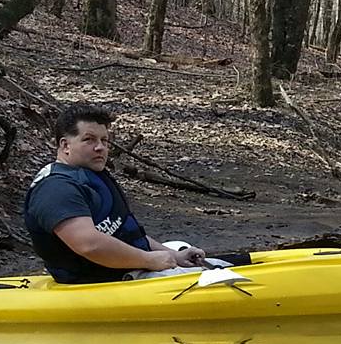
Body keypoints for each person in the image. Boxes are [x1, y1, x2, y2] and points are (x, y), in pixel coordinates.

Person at [24, 104, 207, 284]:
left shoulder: (90, 177)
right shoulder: (56, 188)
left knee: (211, 260)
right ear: (65, 145)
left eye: (104, 141)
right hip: (98, 284)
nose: (100, 147)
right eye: (89, 139)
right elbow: (89, 245)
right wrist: (149, 260)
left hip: (127, 272)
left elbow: (125, 234)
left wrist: (173, 255)